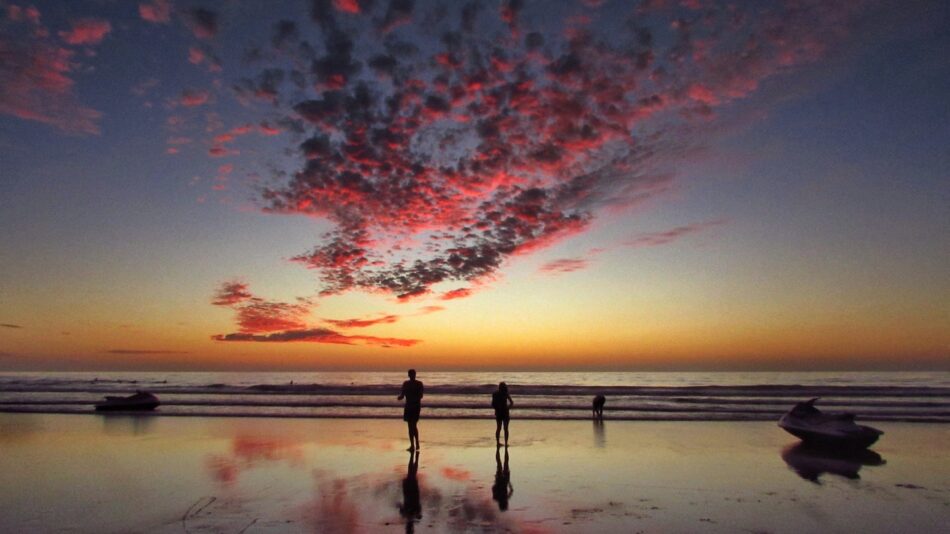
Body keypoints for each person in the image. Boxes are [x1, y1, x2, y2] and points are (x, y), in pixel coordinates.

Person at [398, 369, 424, 451]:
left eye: (413, 374)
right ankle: (414, 444)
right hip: (412, 406)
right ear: (409, 375)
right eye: (411, 374)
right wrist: (400, 397)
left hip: (413, 406)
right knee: (412, 426)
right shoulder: (409, 384)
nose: (412, 375)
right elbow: (402, 395)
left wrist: (402, 397)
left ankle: (414, 444)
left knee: (411, 426)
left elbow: (420, 395)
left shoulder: (417, 384)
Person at [399, 450, 421, 533]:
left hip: (411, 493)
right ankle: (414, 457)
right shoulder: (408, 515)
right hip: (411, 493)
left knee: (412, 473)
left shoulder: (408, 515)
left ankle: (414, 457)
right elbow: (418, 504)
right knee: (411, 474)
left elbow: (418, 504)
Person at [492, 382, 514, 446]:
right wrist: (508, 408)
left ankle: (498, 442)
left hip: (499, 412)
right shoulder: (505, 394)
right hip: (505, 412)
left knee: (499, 428)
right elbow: (512, 402)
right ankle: (506, 443)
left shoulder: (495, 394)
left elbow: (493, 404)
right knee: (505, 428)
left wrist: (497, 408)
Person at [491, 445, 513, 511]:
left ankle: (501, 449)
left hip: (501, 480)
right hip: (502, 480)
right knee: (502, 463)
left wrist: (508, 482)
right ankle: (503, 449)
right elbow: (511, 490)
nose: (506, 503)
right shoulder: (498, 498)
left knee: (501, 463)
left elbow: (511, 490)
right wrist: (508, 482)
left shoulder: (497, 498)